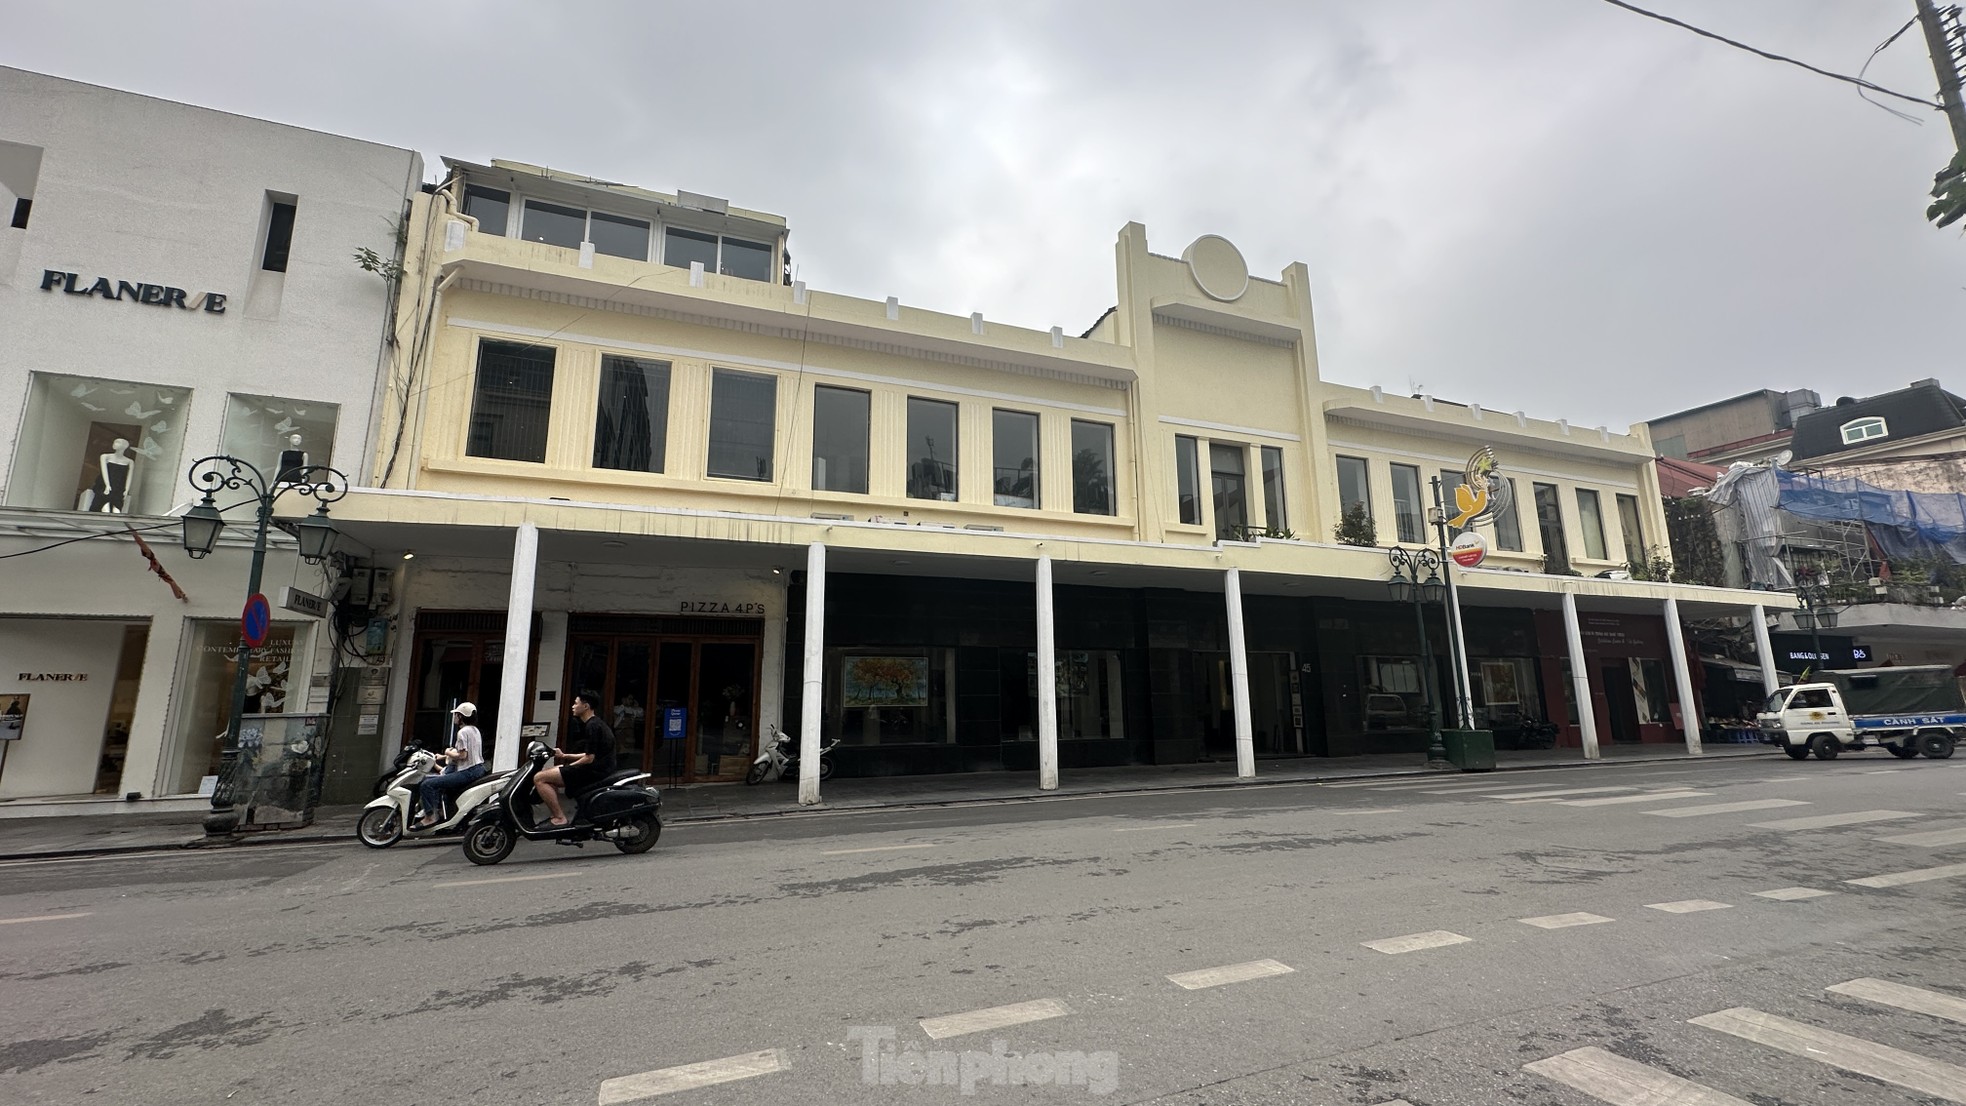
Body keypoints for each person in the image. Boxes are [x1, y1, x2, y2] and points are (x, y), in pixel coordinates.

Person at [535, 689, 615, 827]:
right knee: (549, 771)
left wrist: (568, 767)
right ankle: (555, 814)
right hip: (596, 768)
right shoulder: (595, 723)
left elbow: (589, 759)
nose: (573, 706)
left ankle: (559, 818)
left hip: (595, 772)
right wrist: (564, 756)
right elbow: (588, 754)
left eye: (575, 703)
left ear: (586, 706)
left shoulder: (592, 726)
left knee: (539, 778)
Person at [415, 703, 487, 828]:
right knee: (434, 780)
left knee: (427, 784)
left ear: (461, 716)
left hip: (468, 771)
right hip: (478, 768)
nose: (454, 717)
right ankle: (442, 812)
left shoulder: (462, 732)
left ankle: (430, 816)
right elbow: (465, 750)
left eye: (456, 714)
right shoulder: (475, 730)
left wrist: (447, 752)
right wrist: (443, 757)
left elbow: (463, 755)